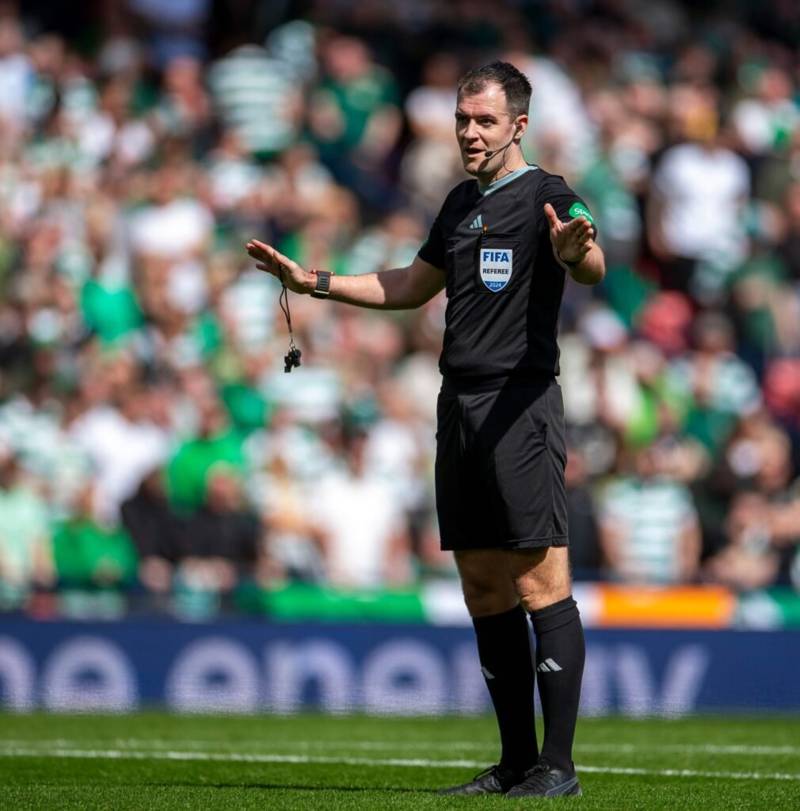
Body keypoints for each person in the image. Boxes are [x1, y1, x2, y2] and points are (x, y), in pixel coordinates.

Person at [246, 61, 605, 798]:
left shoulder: (547, 194)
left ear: (518, 126)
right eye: (462, 119)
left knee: (540, 579)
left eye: (484, 120)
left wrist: (576, 253)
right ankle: (514, 762)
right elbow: (411, 286)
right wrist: (310, 282)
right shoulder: (458, 204)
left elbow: (588, 257)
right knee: (481, 582)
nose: (470, 132)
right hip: (459, 405)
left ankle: (559, 766)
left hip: (520, 402)